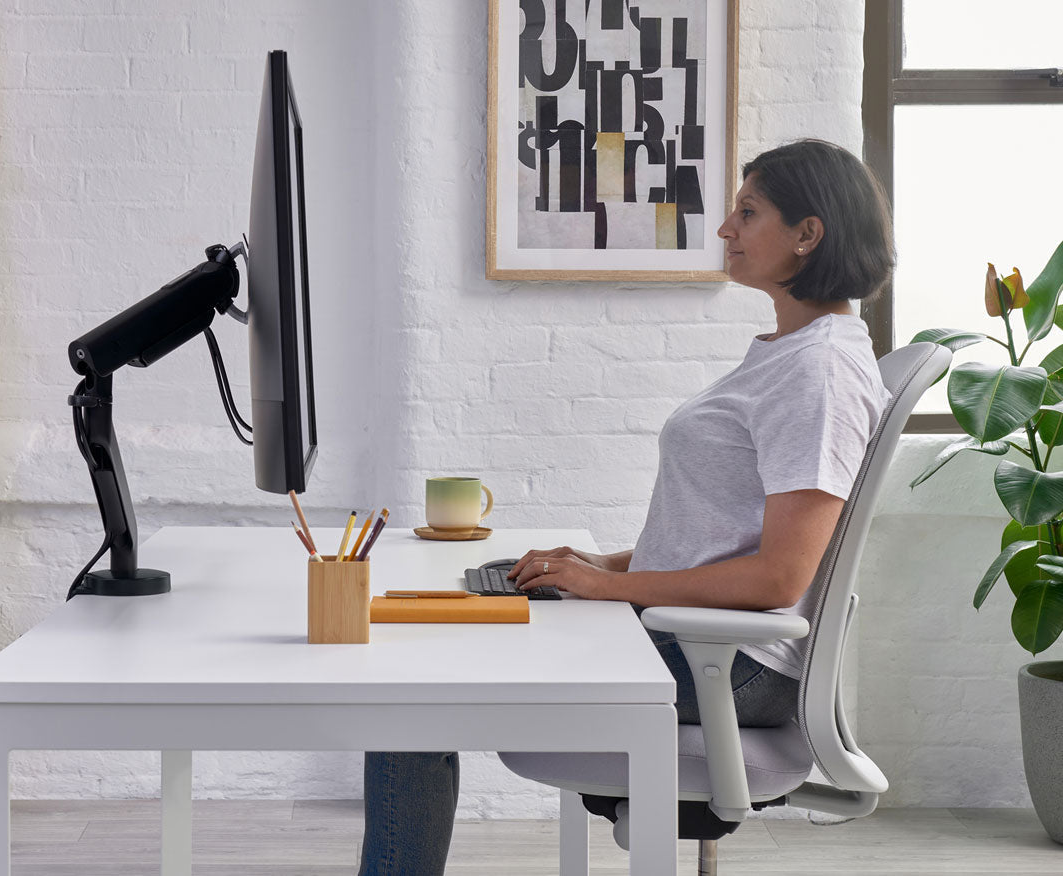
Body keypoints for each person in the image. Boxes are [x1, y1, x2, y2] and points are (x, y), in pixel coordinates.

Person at [358, 139, 895, 876]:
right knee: (429, 660)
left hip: (729, 665)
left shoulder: (821, 372)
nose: (725, 230)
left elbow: (778, 578)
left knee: (415, 693)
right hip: (696, 643)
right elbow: (726, 533)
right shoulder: (792, 352)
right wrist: (595, 565)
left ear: (809, 234)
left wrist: (611, 587)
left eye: (749, 212)